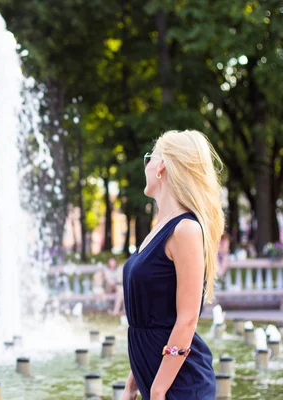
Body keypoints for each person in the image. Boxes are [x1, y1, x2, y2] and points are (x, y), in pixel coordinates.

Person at [121, 130, 223, 400]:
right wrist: (134, 379)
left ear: (161, 167)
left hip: (179, 384)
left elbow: (187, 319)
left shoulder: (186, 229)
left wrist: (158, 389)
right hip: (158, 379)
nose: (146, 166)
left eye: (148, 159)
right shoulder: (160, 229)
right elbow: (152, 318)